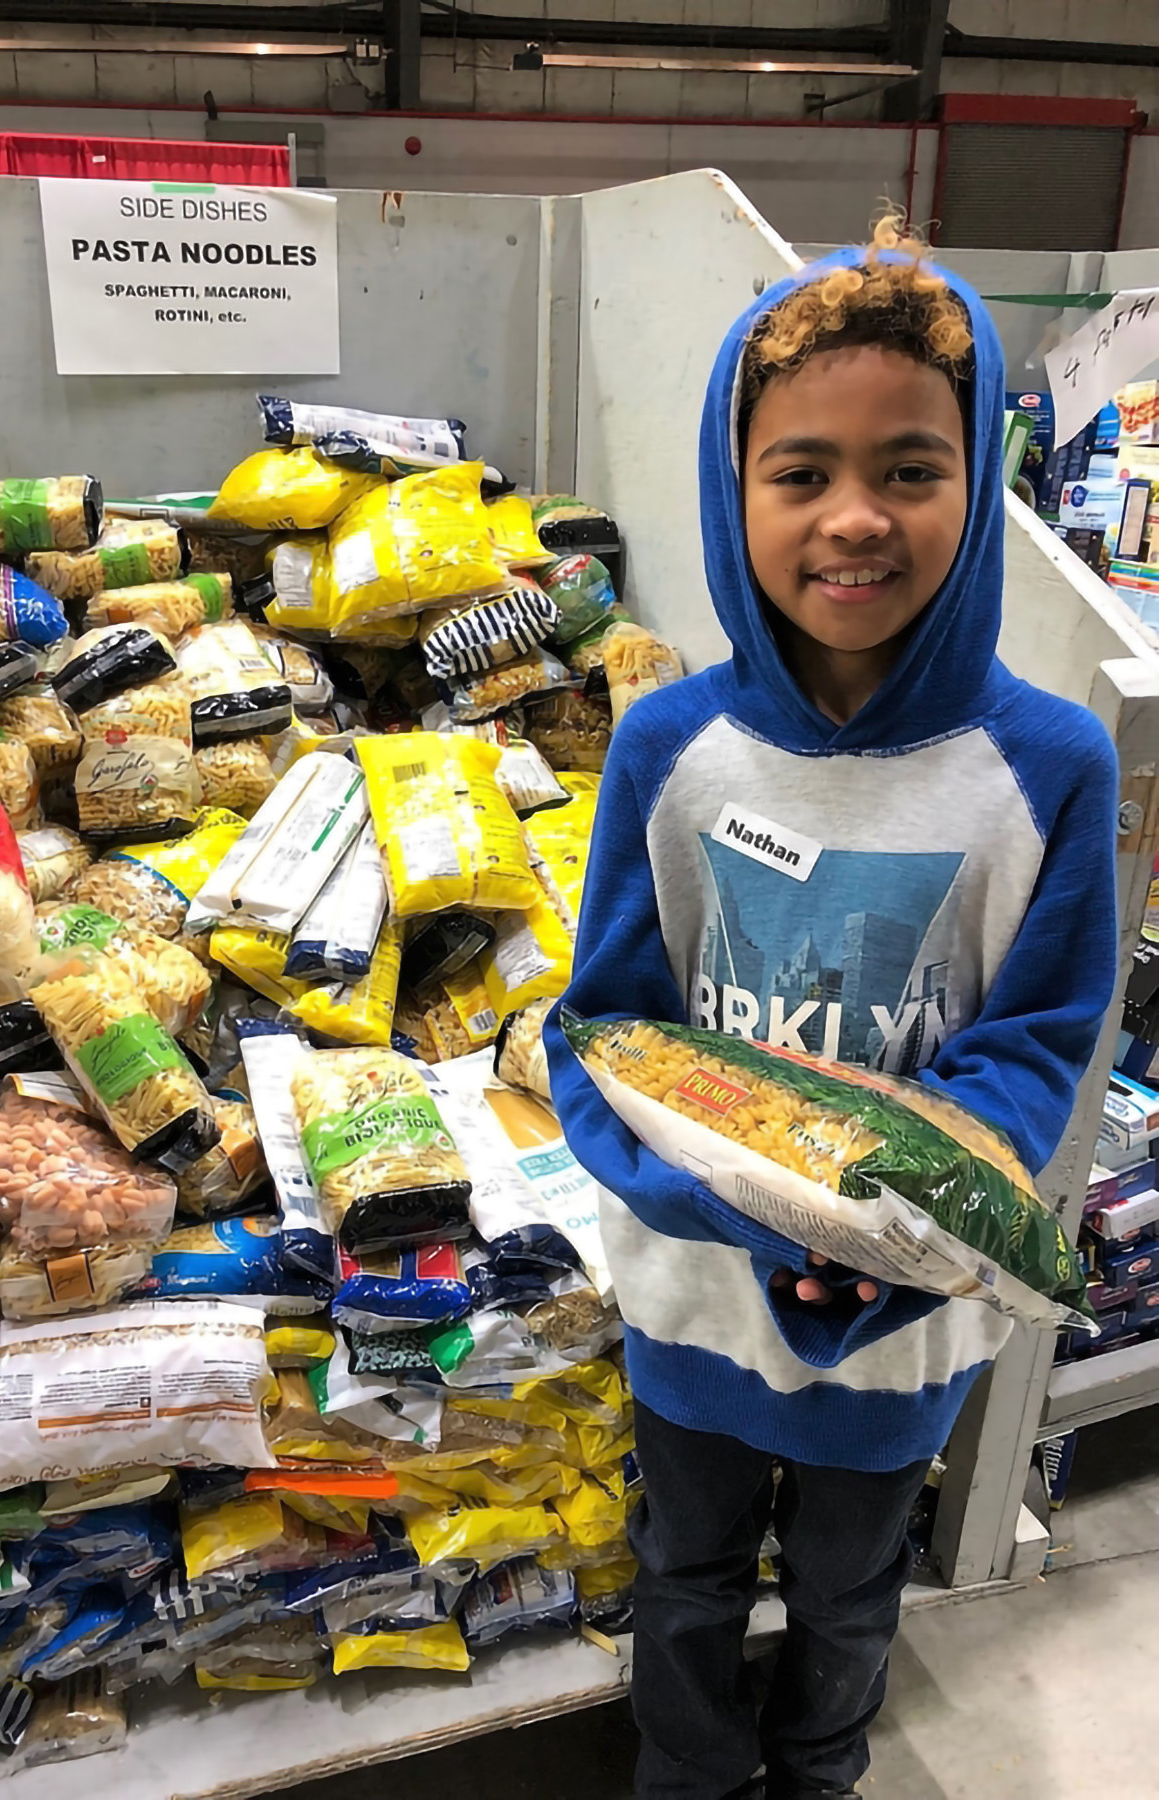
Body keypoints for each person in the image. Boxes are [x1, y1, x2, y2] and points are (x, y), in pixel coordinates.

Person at [543, 217, 1119, 1800]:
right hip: (690, 1296)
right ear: (734, 495)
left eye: (910, 467)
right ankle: (688, 1782)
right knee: (682, 1576)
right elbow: (604, 1029)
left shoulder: (1047, 766)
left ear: (975, 481)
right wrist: (740, 1202)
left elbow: (1031, 1049)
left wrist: (876, 1226)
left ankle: (818, 1777)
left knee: (857, 1590)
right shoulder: (667, 746)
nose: (852, 518)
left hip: (901, 1315)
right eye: (799, 472)